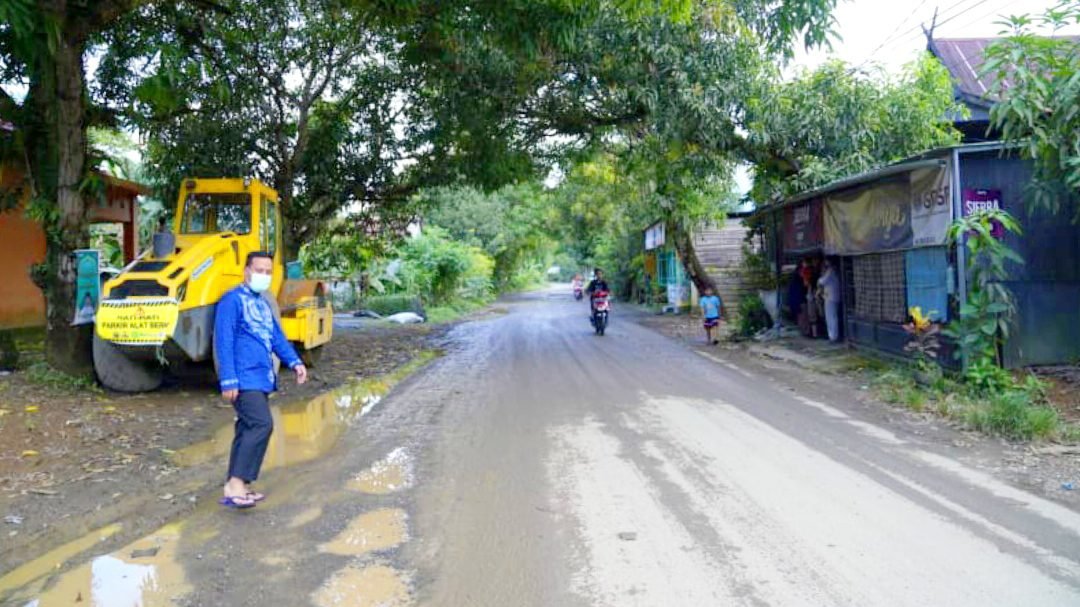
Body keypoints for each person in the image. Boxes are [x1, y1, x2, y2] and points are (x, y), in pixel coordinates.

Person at [214, 251, 308, 509]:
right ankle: (235, 483)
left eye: (268, 272)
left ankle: (240, 485)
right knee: (261, 424)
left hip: (260, 376)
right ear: (246, 271)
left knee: (247, 427)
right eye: (259, 270)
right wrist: (229, 379)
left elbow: (277, 337)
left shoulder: (263, 304)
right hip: (243, 378)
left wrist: (295, 361)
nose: (263, 276)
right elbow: (224, 340)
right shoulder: (231, 301)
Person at [818, 259, 841, 342]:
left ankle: (833, 336)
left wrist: (820, 278)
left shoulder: (830, 271)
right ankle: (832, 336)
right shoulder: (833, 270)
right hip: (831, 296)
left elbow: (822, 281)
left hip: (831, 297)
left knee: (831, 317)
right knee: (831, 316)